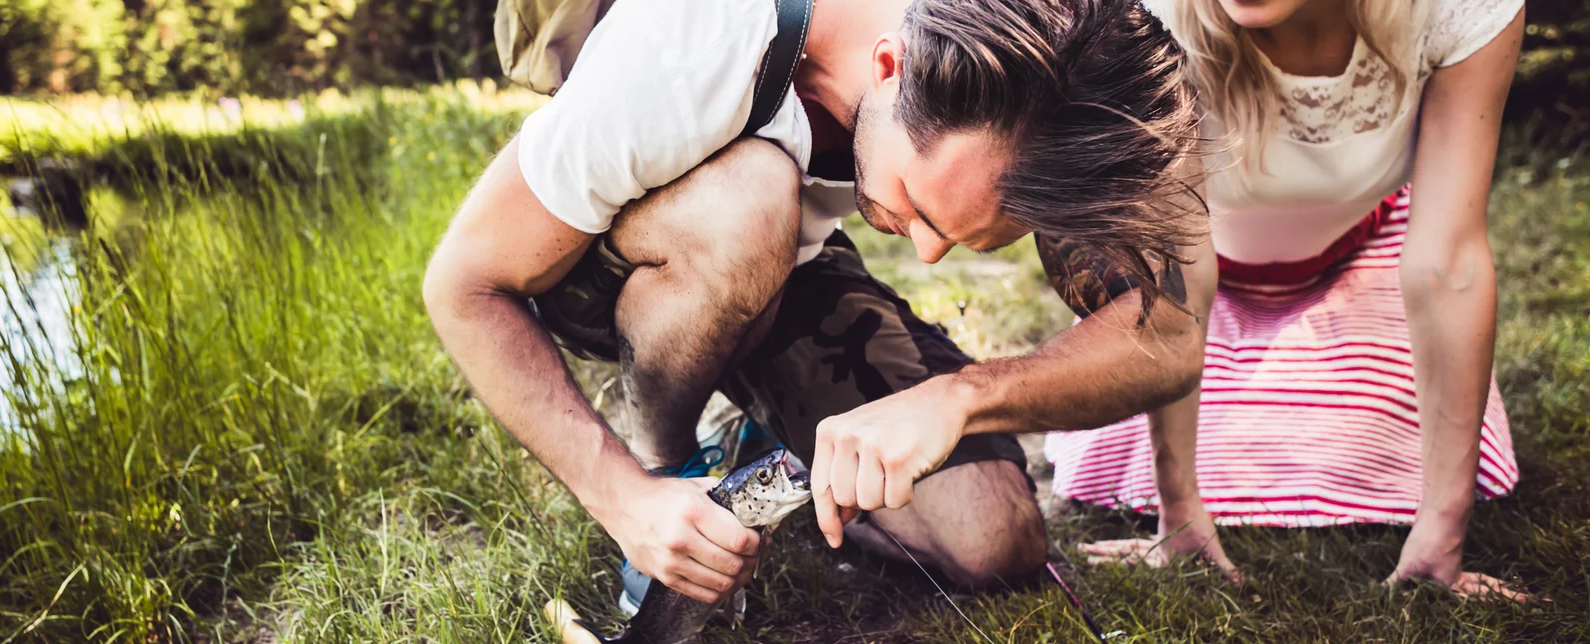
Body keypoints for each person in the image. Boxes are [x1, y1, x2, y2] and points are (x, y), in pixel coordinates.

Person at [423, 0, 1213, 611]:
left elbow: (1169, 339)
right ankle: (675, 462)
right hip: (640, 255)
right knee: (749, 204)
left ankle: (757, 425)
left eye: (972, 239)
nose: (927, 252)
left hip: (784, 258)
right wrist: (626, 497)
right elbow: (464, 285)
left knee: (992, 539)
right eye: (920, 208)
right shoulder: (691, 47)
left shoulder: (1059, 66)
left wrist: (960, 398)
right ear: (889, 64)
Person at [1048, 0, 1529, 600]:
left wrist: (1445, 526)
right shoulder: (1149, 17)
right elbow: (1179, 269)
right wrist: (1177, 505)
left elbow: (1446, 263)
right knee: (1120, 451)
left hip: (1356, 263)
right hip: (1205, 291)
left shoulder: (1458, 10)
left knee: (1383, 450)